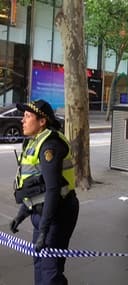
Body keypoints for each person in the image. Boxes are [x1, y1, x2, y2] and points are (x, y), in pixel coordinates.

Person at [9, 99, 79, 284]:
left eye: (28, 116)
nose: (23, 120)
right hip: (43, 213)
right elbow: (35, 186)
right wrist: (22, 213)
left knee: (50, 271)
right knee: (40, 263)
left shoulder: (50, 145)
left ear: (42, 121)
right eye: (23, 116)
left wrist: (44, 229)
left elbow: (53, 189)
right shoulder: (34, 142)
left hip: (57, 214)